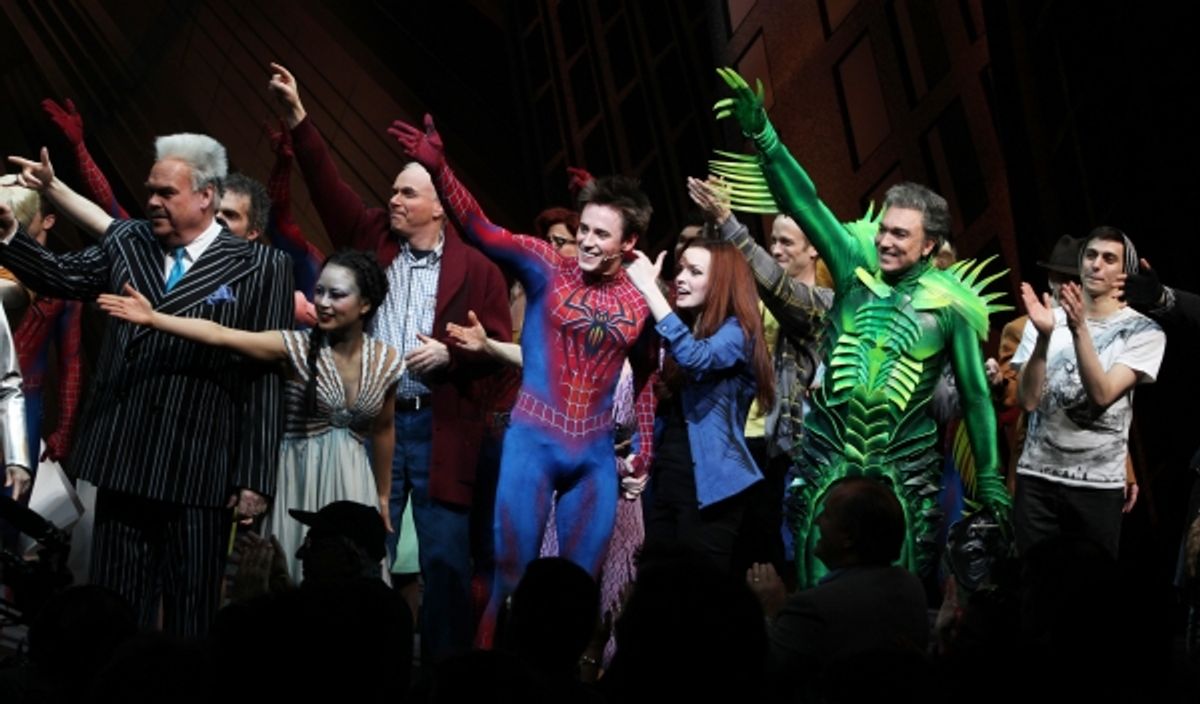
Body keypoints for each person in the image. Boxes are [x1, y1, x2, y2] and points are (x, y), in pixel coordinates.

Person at [712, 67, 1011, 588]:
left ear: (929, 245)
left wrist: (988, 478)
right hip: (828, 456)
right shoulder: (853, 270)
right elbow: (804, 203)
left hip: (905, 468)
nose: (886, 242)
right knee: (818, 583)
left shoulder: (951, 309)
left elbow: (975, 395)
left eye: (901, 235)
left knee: (896, 594)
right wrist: (765, 137)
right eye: (884, 230)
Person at [2, 135, 293, 636]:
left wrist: (254, 476)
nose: (153, 201)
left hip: (201, 466)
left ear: (206, 196)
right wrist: (10, 235)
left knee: (190, 616)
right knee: (116, 610)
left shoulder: (262, 267)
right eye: (151, 191)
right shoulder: (130, 241)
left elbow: (264, 376)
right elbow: (60, 275)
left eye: (166, 193)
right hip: (125, 457)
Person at [269, 64, 511, 659]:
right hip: (372, 424)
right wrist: (298, 115)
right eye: (394, 191)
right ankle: (359, 666)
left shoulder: (478, 269)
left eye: (407, 193)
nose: (393, 199)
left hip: (439, 427)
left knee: (445, 562)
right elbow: (327, 185)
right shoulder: (373, 237)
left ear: (438, 207)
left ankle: (444, 678)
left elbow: (499, 354)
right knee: (358, 553)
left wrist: (455, 353)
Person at [390, 114, 658, 648]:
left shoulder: (640, 296)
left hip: (594, 456)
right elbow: (482, 228)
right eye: (583, 229)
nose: (585, 242)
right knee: (507, 580)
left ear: (629, 242)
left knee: (577, 591)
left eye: (600, 234)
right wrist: (440, 169)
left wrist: (642, 445)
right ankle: (488, 675)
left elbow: (648, 372)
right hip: (533, 441)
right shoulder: (545, 266)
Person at [99, 250, 402, 579]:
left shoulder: (387, 361)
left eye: (337, 294)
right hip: (296, 475)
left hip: (354, 481)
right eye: (319, 291)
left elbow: (384, 429)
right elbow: (220, 334)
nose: (323, 303)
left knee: (352, 580)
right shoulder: (295, 347)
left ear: (365, 304)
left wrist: (383, 496)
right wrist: (155, 319)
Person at [1013, 226, 1165, 557]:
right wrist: (1043, 338)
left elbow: (1102, 394)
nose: (1096, 264)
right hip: (1036, 481)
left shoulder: (1142, 332)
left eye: (1109, 259)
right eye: (1091, 255)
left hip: (1096, 487)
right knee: (1033, 580)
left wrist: (1078, 328)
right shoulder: (1045, 319)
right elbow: (1028, 401)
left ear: (1125, 273)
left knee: (1090, 584)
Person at [624, 239, 773, 572]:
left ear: (721, 281)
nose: (680, 278)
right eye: (680, 269)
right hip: (669, 476)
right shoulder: (685, 327)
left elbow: (697, 358)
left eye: (694, 271)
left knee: (700, 587)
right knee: (655, 578)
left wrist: (651, 290)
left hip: (712, 486)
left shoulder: (738, 331)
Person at [746, 477, 928, 696]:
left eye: (826, 515)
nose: (817, 521)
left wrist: (771, 612)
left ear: (848, 538)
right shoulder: (911, 586)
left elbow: (767, 675)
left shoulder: (812, 608)